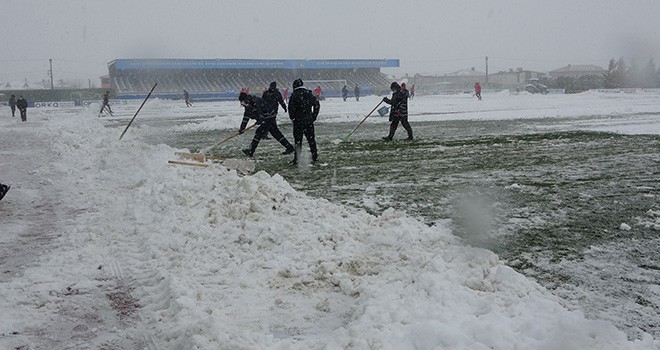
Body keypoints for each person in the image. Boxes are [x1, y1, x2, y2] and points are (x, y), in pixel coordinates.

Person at [238, 92, 295, 157]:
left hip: (269, 117)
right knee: (276, 134)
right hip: (266, 119)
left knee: (259, 132)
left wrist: (261, 120)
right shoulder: (248, 105)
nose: (242, 104)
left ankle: (251, 150)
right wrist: (242, 128)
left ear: (246, 99)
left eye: (242, 102)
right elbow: (246, 117)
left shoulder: (256, 101)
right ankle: (289, 147)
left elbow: (262, 111)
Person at [288, 79, 320, 165]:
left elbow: (291, 108)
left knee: (298, 141)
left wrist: (293, 118)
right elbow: (317, 104)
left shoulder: (294, 95)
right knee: (311, 139)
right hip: (308, 120)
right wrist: (314, 116)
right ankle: (315, 156)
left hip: (298, 121)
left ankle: (297, 158)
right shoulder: (309, 94)